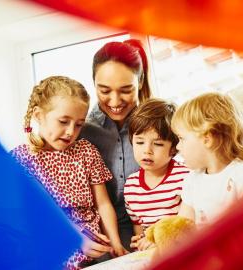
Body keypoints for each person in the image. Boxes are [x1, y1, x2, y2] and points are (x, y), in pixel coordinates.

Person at [11, 76, 126, 270]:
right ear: (39, 115)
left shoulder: (86, 150)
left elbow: (103, 203)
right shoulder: (20, 160)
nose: (71, 132)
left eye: (79, 124)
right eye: (63, 121)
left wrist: (115, 243)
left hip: (96, 249)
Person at [79, 39, 152, 250]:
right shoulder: (79, 129)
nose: (115, 101)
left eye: (126, 90)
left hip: (151, 230)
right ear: (93, 83)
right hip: (100, 237)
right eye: (104, 90)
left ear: (140, 82)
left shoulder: (157, 124)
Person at [171, 92, 243, 227]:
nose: (178, 146)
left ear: (207, 139)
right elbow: (182, 225)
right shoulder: (192, 180)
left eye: (181, 138)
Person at [124, 98, 190, 250]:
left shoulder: (185, 177)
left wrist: (158, 242)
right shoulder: (131, 186)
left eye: (158, 144)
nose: (147, 150)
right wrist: (140, 241)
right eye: (140, 142)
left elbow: (188, 226)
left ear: (174, 148)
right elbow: (139, 228)